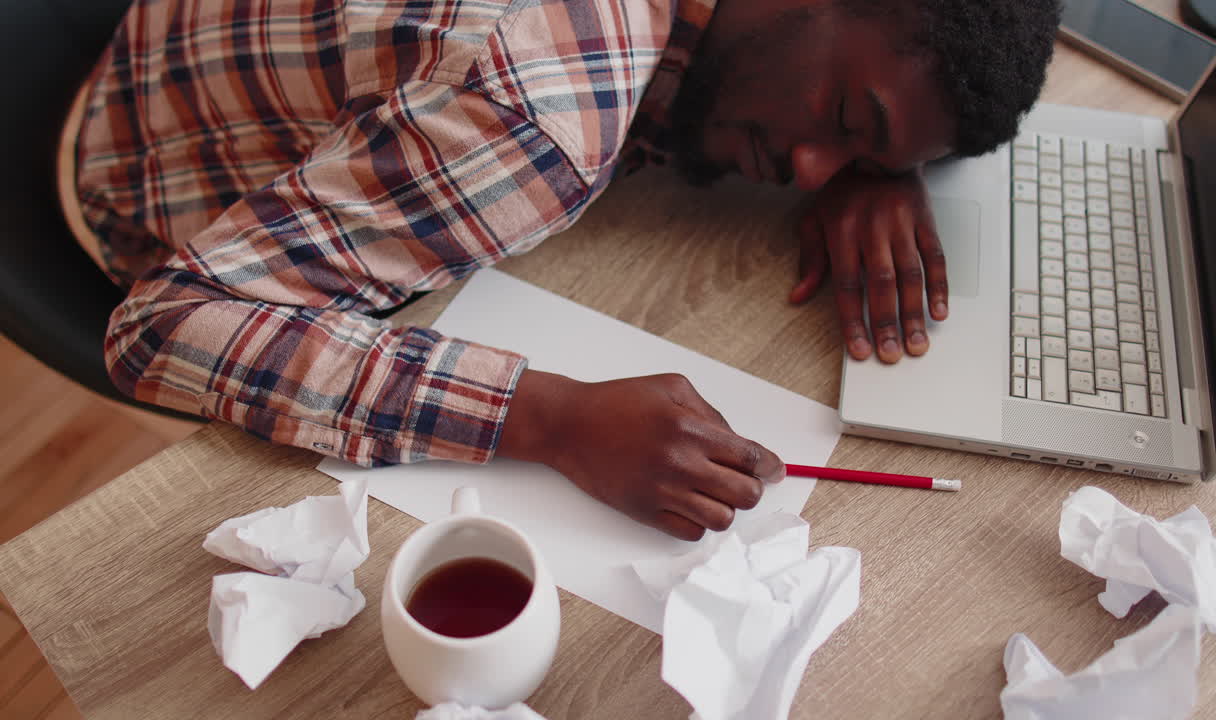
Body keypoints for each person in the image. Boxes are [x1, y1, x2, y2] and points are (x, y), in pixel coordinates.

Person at [72, 0, 1059, 540]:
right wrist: (544, 418)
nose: (806, 172)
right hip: (139, 173)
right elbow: (163, 322)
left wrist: (871, 159)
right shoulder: (540, 126)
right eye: (842, 121)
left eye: (855, 155)